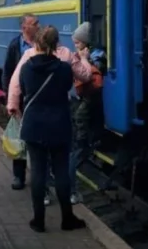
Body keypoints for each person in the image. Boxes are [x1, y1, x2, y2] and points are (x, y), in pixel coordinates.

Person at [7, 20, 93, 206]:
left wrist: (13, 104)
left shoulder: (28, 57)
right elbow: (85, 76)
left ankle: (42, 205)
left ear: (37, 41)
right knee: (61, 166)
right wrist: (84, 58)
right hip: (59, 120)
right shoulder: (66, 56)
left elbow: (15, 81)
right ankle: (67, 207)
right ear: (57, 42)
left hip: (34, 122)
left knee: (38, 168)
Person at [2, 14, 39, 190]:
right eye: (34, 23)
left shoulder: (41, 43)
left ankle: (41, 175)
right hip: (21, 99)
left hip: (36, 98)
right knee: (18, 137)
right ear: (25, 27)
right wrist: (9, 99)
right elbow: (7, 72)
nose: (38, 26)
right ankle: (19, 176)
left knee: (38, 138)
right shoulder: (15, 45)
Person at [69, 22, 104, 205]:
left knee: (80, 145)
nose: (75, 46)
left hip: (89, 105)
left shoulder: (95, 56)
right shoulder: (85, 55)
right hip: (85, 106)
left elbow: (89, 76)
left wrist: (84, 59)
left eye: (77, 43)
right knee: (79, 144)